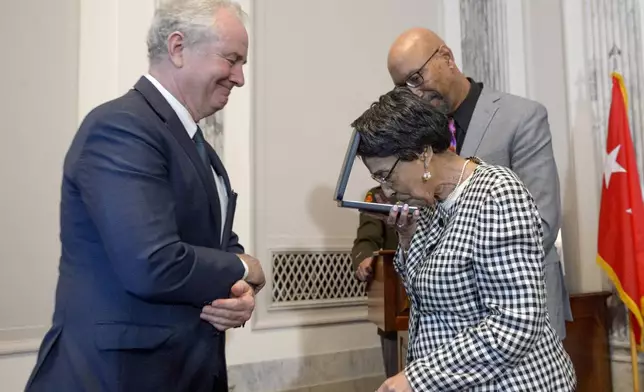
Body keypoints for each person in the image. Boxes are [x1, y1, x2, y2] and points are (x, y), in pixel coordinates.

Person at [25, 1, 264, 391]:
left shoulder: (192, 141)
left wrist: (240, 292)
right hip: (116, 377)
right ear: (177, 48)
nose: (239, 78)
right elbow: (152, 263)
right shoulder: (122, 127)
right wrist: (244, 269)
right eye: (232, 59)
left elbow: (216, 243)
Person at [352, 87, 576, 392]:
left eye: (386, 175)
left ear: (422, 153)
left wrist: (417, 379)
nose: (387, 191)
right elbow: (424, 298)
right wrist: (405, 238)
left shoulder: (496, 194)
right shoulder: (433, 202)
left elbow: (516, 323)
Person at [386, 28, 571, 339]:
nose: (414, 94)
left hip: (519, 316)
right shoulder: (421, 142)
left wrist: (454, 272)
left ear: (447, 57)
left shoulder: (522, 117)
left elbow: (542, 224)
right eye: (403, 88)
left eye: (416, 78)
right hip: (452, 326)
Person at [351, 186, 399, 377]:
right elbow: (367, 238)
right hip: (395, 297)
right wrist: (366, 258)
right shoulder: (379, 195)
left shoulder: (435, 190)